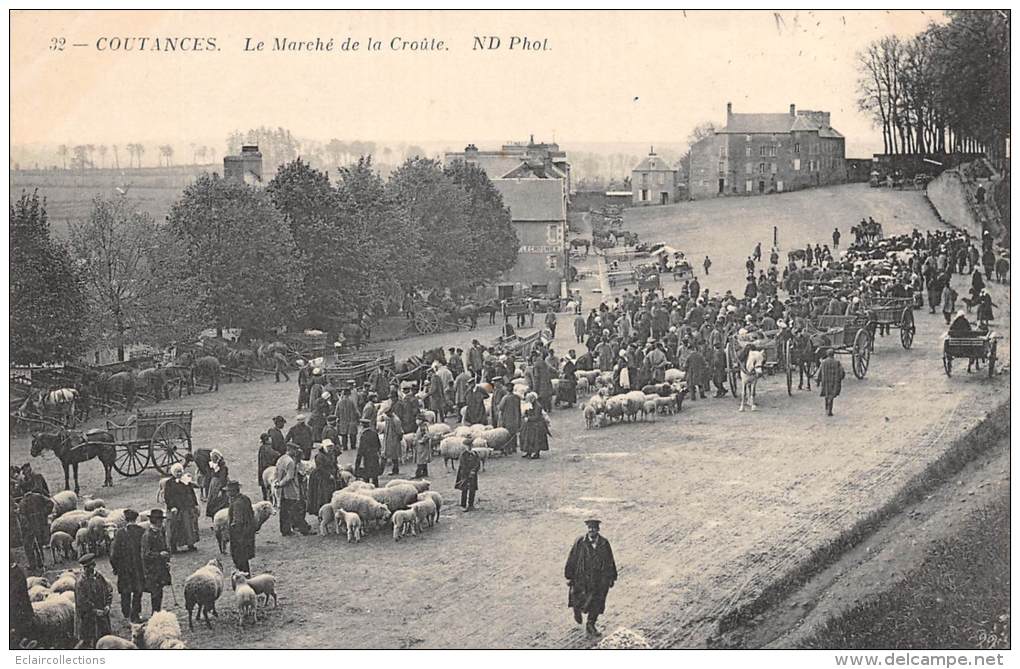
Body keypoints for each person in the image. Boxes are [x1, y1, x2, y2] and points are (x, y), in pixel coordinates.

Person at [564, 519, 618, 637]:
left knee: (597, 602)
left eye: (594, 528)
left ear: (598, 530)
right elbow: (572, 558)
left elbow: (610, 560)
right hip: (582, 577)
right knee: (578, 597)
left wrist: (612, 577)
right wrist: (569, 575)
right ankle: (576, 610)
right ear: (587, 529)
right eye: (589, 528)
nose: (591, 531)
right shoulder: (580, 542)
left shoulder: (604, 543)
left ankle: (591, 624)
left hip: (598, 579)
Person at [109, 509, 145, 622]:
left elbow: (113, 553)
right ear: (136, 519)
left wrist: (115, 567)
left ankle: (126, 614)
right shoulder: (142, 531)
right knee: (138, 591)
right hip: (138, 568)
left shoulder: (120, 533)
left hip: (123, 569)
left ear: (125, 519)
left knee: (125, 591)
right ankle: (136, 614)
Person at [73, 553, 112, 649]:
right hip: (88, 619)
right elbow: (81, 602)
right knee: (89, 642)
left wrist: (107, 605)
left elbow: (108, 591)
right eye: (85, 568)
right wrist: (94, 611)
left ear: (93, 566)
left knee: (104, 641)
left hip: (102, 617)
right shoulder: (80, 583)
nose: (86, 570)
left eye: (89, 567)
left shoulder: (99, 577)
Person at [275, 443, 313, 536]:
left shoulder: (281, 459)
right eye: (295, 450)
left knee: (284, 511)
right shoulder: (290, 462)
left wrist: (277, 483)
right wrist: (281, 483)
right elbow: (290, 477)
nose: (296, 452)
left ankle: (285, 530)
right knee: (296, 510)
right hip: (290, 489)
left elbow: (276, 472)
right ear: (290, 450)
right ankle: (303, 529)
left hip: (282, 491)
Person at [140, 509, 171, 615]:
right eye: (160, 520)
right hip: (151, 569)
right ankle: (155, 614)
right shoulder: (147, 535)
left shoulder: (160, 532)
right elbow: (146, 555)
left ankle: (157, 612)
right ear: (155, 521)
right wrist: (159, 555)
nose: (162, 523)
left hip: (160, 568)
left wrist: (167, 559)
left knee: (159, 592)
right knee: (155, 592)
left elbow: (165, 547)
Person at [164, 463, 199, 553]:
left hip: (186, 507)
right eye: (177, 472)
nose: (179, 474)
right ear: (173, 473)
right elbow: (167, 496)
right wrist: (172, 506)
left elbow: (191, 493)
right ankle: (174, 547)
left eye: (180, 472)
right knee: (175, 527)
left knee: (189, 526)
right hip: (176, 509)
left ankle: (190, 544)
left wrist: (195, 504)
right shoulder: (169, 483)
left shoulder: (186, 481)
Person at [17, 487, 53, 570]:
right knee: (39, 544)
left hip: (30, 528)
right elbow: (50, 503)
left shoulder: (23, 503)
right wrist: (44, 513)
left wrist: (26, 527)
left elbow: (23, 518)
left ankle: (33, 565)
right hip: (40, 524)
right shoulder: (39, 496)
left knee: (29, 546)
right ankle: (41, 562)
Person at [226, 480, 256, 574]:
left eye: (228, 491)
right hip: (248, 533)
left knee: (239, 559)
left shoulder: (236, 504)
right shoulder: (245, 499)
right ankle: (246, 575)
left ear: (232, 492)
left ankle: (244, 578)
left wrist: (231, 531)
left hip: (239, 537)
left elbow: (237, 521)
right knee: (244, 558)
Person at [306, 439, 338, 514]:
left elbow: (334, 463)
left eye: (331, 447)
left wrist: (337, 469)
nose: (330, 448)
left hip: (331, 476)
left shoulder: (331, 454)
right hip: (321, 477)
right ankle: (322, 512)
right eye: (328, 447)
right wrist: (328, 475)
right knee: (322, 495)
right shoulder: (319, 456)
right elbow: (320, 468)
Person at [520, 394, 551, 460]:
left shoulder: (538, 406)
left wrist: (529, 418)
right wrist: (524, 416)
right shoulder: (529, 404)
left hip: (537, 424)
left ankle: (536, 453)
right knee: (526, 437)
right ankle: (528, 451)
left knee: (536, 439)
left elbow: (537, 417)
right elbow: (526, 412)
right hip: (530, 424)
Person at [816, 349, 845, 417]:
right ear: (833, 354)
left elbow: (819, 372)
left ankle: (826, 408)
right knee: (831, 396)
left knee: (826, 394)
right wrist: (840, 378)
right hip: (834, 381)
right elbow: (842, 372)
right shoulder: (837, 362)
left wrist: (818, 380)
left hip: (825, 381)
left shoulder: (823, 362)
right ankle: (830, 410)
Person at [355, 418, 383, 486]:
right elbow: (379, 445)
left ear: (362, 426)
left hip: (366, 458)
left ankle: (367, 490)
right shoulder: (374, 433)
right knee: (374, 475)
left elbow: (361, 449)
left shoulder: (363, 435)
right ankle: (376, 488)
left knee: (366, 476)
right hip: (374, 456)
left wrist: (357, 463)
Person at [455, 440, 481, 511]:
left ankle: (471, 505)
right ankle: (463, 505)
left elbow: (477, 463)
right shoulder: (463, 455)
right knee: (464, 489)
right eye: (467, 446)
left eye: (470, 446)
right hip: (465, 474)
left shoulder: (475, 454)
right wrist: (468, 473)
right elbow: (463, 465)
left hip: (473, 475)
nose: (469, 447)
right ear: (465, 446)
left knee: (472, 489)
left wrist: (474, 471)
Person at [204, 449, 229, 519]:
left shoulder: (222, 467)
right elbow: (208, 475)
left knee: (220, 501)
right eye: (211, 458)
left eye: (213, 457)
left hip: (219, 485)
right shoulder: (212, 465)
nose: (211, 459)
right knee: (212, 501)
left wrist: (221, 489)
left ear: (217, 457)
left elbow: (223, 478)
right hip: (213, 485)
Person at [497, 388, 523, 455]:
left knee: (507, 434)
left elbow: (501, 407)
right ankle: (514, 448)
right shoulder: (517, 397)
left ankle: (508, 449)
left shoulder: (505, 398)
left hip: (507, 418)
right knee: (514, 433)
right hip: (516, 417)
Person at [381, 406, 404, 476]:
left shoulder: (396, 420)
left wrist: (398, 439)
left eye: (387, 413)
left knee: (394, 456)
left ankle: (395, 469)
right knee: (386, 454)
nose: (386, 414)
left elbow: (399, 431)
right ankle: (381, 470)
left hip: (394, 440)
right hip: (388, 439)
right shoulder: (389, 419)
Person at [257, 433, 278, 501]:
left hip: (262, 469)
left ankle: (265, 498)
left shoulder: (262, 448)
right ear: (267, 440)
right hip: (268, 469)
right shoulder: (267, 448)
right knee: (269, 487)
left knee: (264, 487)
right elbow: (275, 455)